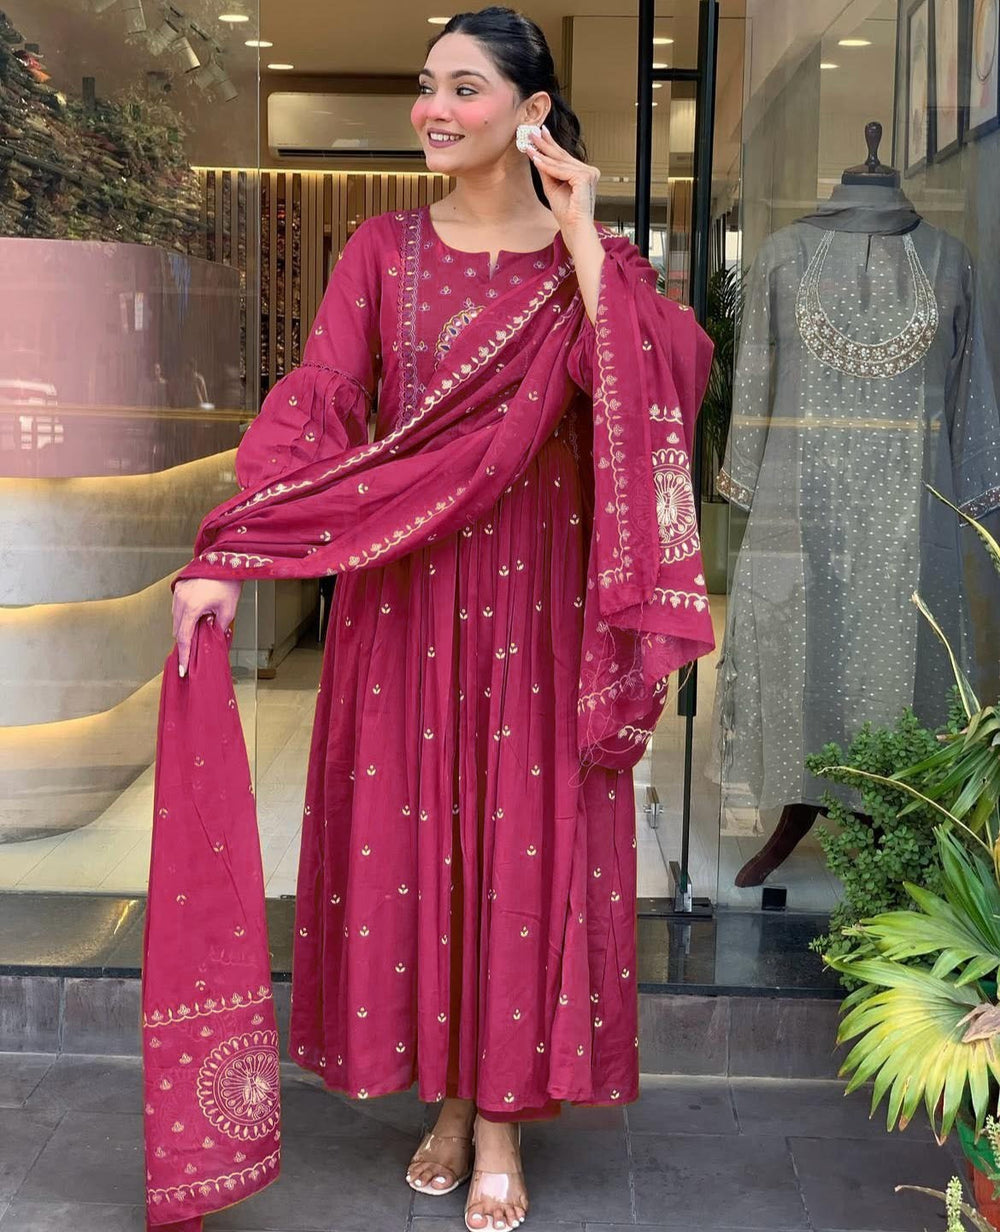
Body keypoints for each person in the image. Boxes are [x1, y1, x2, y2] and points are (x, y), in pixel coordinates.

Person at [167, 8, 714, 1230]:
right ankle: (451, 1102)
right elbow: (320, 401)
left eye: (465, 87)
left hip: (542, 601)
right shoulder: (381, 250)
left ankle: (501, 1117)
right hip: (406, 595)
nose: (433, 108)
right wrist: (235, 546)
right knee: (420, 841)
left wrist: (581, 230)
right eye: (428, 85)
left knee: (522, 841)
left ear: (530, 110)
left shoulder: (595, 262)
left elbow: (660, 380)